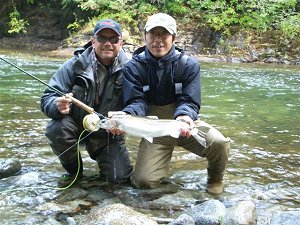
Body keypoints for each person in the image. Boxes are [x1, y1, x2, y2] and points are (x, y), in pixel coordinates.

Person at [121, 13, 230, 194]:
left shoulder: (188, 65)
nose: (158, 40)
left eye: (163, 35)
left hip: (184, 125)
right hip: (155, 130)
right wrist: (128, 116)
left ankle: (215, 179)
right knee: (143, 182)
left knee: (219, 143)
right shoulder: (133, 67)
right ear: (145, 36)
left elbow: (190, 100)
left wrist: (185, 116)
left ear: (174, 38)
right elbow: (135, 101)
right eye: (153, 34)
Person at [40, 19, 133, 185]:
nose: (107, 44)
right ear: (93, 41)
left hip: (109, 135)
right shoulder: (74, 65)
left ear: (120, 43)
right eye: (102, 38)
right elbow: (47, 97)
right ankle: (74, 172)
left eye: (113, 39)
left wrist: (127, 118)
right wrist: (57, 105)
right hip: (76, 127)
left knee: (119, 179)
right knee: (56, 128)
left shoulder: (131, 70)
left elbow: (138, 103)